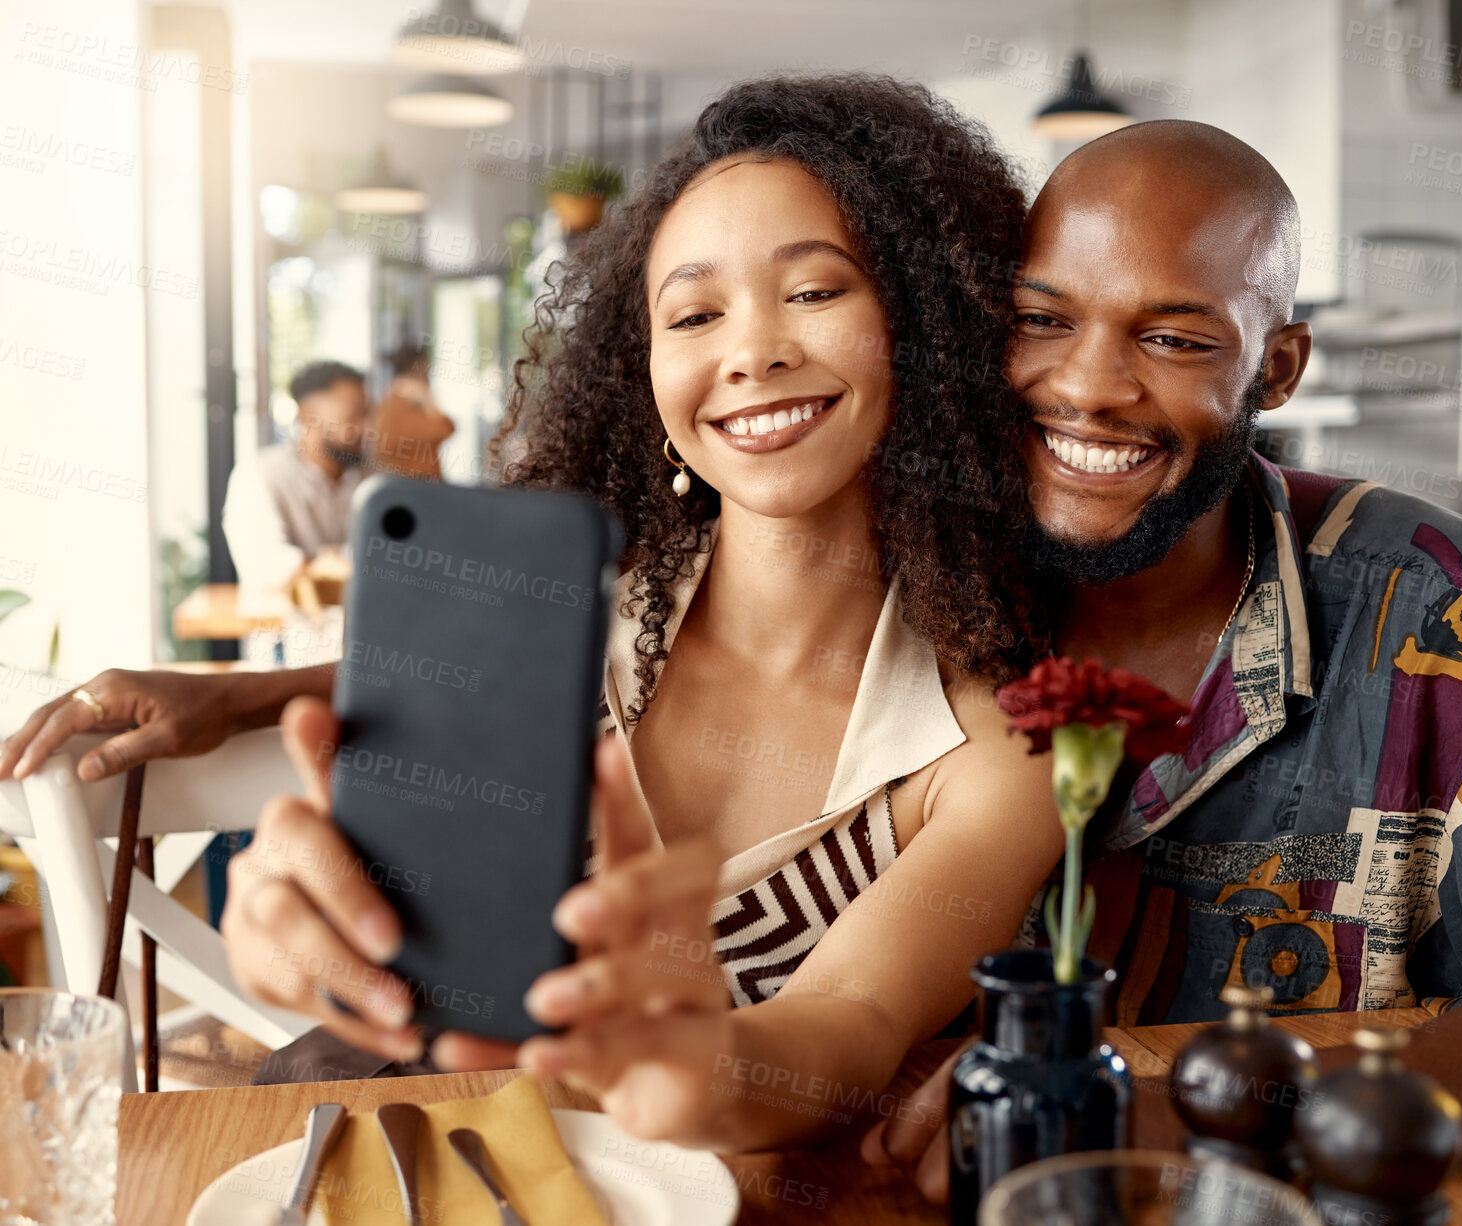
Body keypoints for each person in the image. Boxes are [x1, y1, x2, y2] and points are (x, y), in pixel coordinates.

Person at [5, 75, 1063, 1151]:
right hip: (386, 1147)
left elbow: (852, 1021)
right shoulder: (566, 615)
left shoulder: (998, 745)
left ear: (931, 330)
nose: (751, 351)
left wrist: (697, 1066)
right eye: (693, 313)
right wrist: (246, 708)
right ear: (642, 372)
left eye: (815, 291)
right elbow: (436, 697)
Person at [861, 120, 1462, 1200]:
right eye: (1041, 320)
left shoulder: (1452, 615)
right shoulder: (874, 590)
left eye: (1173, 340)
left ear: (1276, 368)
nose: (1089, 386)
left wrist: (1229, 1110)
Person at [222, 360, 369, 593]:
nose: (366, 428)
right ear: (308, 417)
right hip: (285, 626)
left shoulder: (373, 478)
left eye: (368, 415)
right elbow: (267, 567)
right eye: (353, 416)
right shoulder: (261, 474)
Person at [371, 343, 453, 480]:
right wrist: (427, 400)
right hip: (413, 488)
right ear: (415, 367)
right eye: (425, 366)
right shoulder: (396, 405)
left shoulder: (405, 403)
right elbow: (445, 430)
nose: (428, 371)